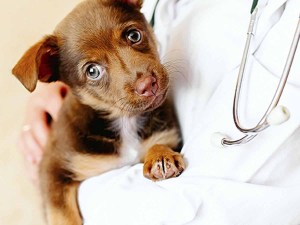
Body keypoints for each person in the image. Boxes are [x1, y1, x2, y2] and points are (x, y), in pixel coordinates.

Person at [19, 0, 300, 224]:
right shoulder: (75, 141)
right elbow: (56, 178)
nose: (140, 78)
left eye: (132, 35)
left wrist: (156, 155)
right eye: (93, 70)